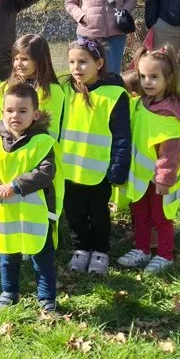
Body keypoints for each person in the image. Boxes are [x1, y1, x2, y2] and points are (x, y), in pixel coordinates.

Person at [0, 81, 60, 312]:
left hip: (37, 213)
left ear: (35, 114)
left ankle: (46, 298)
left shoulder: (43, 143)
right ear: (2, 112)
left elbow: (45, 172)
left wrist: (15, 186)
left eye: (22, 111)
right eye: (10, 110)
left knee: (41, 256)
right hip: (7, 212)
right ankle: (9, 292)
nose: (15, 116)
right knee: (8, 253)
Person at [116, 47, 180, 274]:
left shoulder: (169, 114)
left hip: (160, 180)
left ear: (168, 78)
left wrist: (164, 179)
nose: (147, 82)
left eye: (154, 77)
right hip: (142, 176)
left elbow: (171, 153)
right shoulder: (142, 103)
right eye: (143, 76)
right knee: (140, 213)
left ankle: (165, 254)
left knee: (161, 218)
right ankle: (142, 249)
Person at [61, 37, 130, 276]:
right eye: (72, 62)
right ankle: (80, 248)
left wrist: (118, 167)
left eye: (83, 62)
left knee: (98, 213)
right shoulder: (64, 91)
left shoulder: (114, 95)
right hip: (69, 168)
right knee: (74, 212)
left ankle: (100, 250)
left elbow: (122, 135)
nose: (76, 67)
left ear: (99, 63)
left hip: (100, 170)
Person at [0, 34, 64, 138]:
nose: (18, 64)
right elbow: (3, 122)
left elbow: (51, 128)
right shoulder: (4, 87)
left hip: (39, 145)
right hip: (10, 145)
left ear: (39, 60)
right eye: (15, 59)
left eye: (24, 59)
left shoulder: (51, 91)